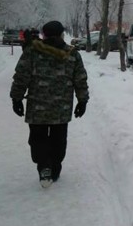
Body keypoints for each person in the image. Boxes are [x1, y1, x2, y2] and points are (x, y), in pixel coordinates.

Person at [10, 21, 89, 188]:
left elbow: (21, 76)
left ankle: (44, 166)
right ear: (61, 34)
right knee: (58, 139)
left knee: (38, 138)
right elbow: (80, 79)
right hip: (61, 108)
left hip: (37, 108)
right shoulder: (72, 54)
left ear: (44, 35)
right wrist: (82, 101)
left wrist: (16, 98)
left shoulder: (32, 51)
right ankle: (55, 167)